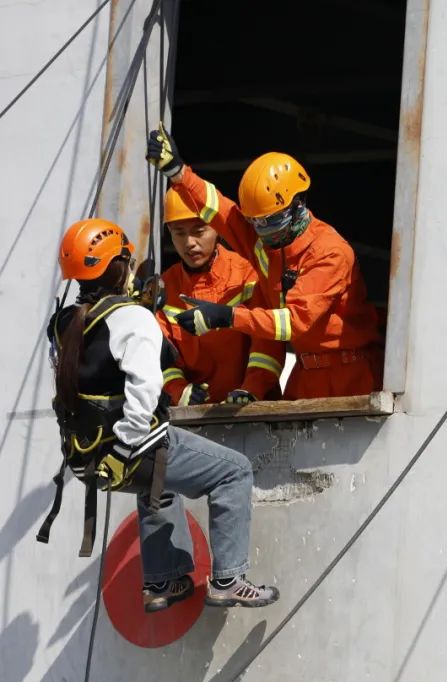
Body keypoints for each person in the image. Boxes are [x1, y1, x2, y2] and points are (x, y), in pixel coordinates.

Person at [49, 218, 279, 612]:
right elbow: (145, 391)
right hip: (128, 451)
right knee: (234, 471)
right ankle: (228, 580)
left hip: (87, 457)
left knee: (157, 483)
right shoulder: (131, 318)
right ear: (119, 266)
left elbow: (84, 380)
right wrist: (126, 447)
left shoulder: (62, 322)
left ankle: (163, 581)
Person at [145, 125, 384, 399]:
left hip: (352, 375)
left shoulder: (330, 252)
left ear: (298, 205)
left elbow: (293, 322)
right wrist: (178, 172)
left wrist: (226, 316)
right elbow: (219, 209)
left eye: (270, 221)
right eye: (254, 221)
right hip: (305, 375)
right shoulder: (264, 238)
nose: (262, 231)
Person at [159, 187, 285, 405]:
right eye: (179, 233)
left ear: (217, 229)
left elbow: (267, 344)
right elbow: (161, 356)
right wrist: (180, 391)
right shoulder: (166, 287)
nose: (189, 243)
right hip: (195, 415)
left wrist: (252, 389)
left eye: (199, 231)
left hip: (254, 409)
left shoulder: (247, 274)